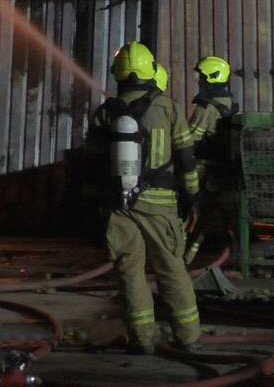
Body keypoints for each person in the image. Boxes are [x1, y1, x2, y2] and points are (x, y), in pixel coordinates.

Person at [84, 42, 201, 354]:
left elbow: (91, 166)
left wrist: (97, 204)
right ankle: (188, 338)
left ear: (119, 74)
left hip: (118, 206)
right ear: (151, 71)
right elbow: (186, 158)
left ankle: (142, 340)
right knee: (172, 269)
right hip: (160, 205)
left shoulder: (106, 112)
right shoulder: (168, 108)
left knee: (129, 272)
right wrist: (192, 196)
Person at [185, 56, 238, 263]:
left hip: (202, 169)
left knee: (186, 210)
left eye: (201, 77)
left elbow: (189, 140)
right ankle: (186, 258)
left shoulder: (206, 107)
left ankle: (175, 257)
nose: (198, 82)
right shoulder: (230, 102)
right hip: (221, 170)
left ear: (211, 78)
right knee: (205, 218)